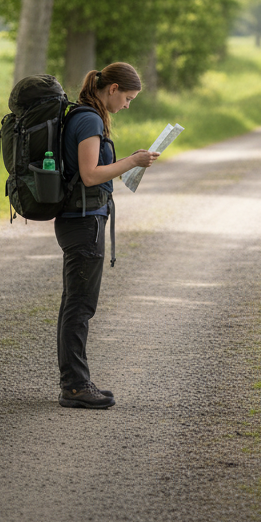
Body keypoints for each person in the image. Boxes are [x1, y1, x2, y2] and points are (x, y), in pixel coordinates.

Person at [56, 62, 159, 409]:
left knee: (75, 302)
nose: (128, 105)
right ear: (112, 89)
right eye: (127, 98)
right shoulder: (89, 120)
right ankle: (74, 387)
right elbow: (89, 174)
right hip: (84, 220)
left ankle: (77, 380)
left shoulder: (87, 116)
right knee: (80, 306)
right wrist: (133, 161)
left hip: (81, 219)